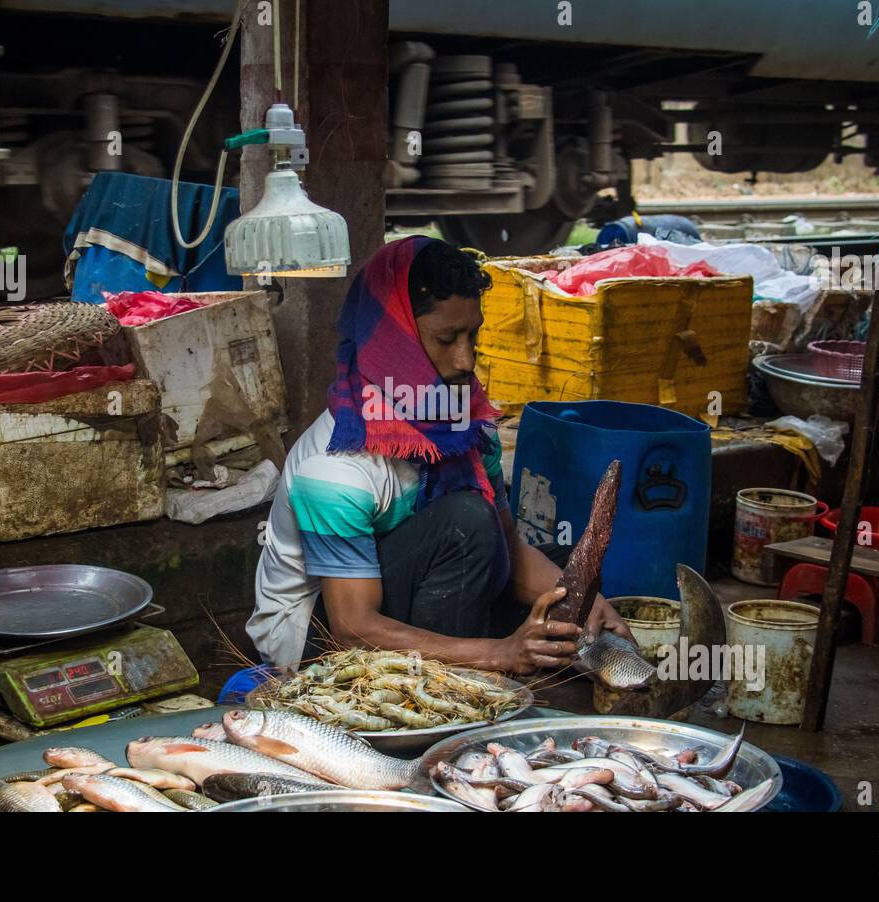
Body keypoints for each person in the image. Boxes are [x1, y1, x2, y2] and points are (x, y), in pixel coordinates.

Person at [247, 236, 631, 676]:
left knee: (565, 580)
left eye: (473, 335)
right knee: (467, 523)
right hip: (317, 639)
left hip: (410, 585)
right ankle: (456, 684)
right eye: (446, 339)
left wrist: (589, 603)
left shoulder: (464, 428)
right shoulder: (336, 470)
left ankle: (482, 657)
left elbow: (507, 546)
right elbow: (352, 630)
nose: (465, 361)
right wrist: (498, 653)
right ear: (395, 341)